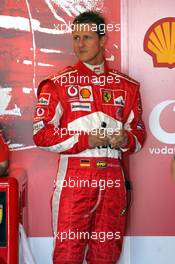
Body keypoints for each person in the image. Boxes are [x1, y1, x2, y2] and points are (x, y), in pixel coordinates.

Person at [33, 11, 146, 264]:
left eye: (86, 37)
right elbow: (41, 134)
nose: (79, 44)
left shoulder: (127, 86)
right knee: (68, 254)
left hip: (113, 179)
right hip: (74, 177)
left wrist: (126, 140)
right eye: (75, 38)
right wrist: (86, 140)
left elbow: (139, 135)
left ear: (103, 40)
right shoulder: (56, 83)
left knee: (107, 255)